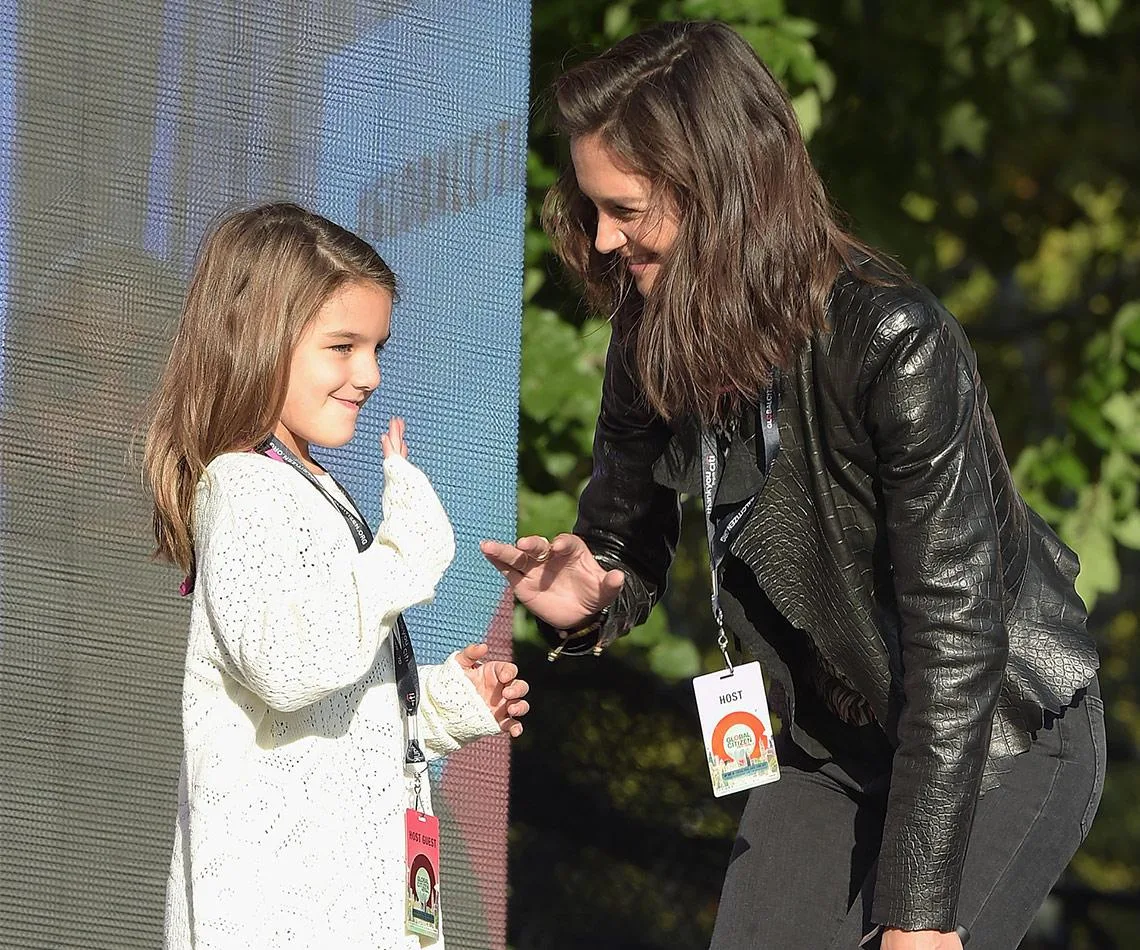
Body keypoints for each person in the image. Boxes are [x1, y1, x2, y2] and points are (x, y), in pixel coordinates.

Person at [482, 21, 1103, 950]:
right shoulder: (646, 335)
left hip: (992, 731)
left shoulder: (896, 340)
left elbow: (954, 634)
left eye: (629, 207)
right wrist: (589, 594)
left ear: (721, 189)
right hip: (823, 739)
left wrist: (919, 916)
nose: (606, 236)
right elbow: (622, 537)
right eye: (593, 204)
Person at [145, 202, 529, 949]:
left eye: (377, 347)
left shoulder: (306, 486)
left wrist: (439, 706)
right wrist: (403, 556)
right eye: (342, 346)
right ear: (258, 341)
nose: (370, 373)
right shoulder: (244, 488)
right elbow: (288, 666)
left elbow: (318, 708)